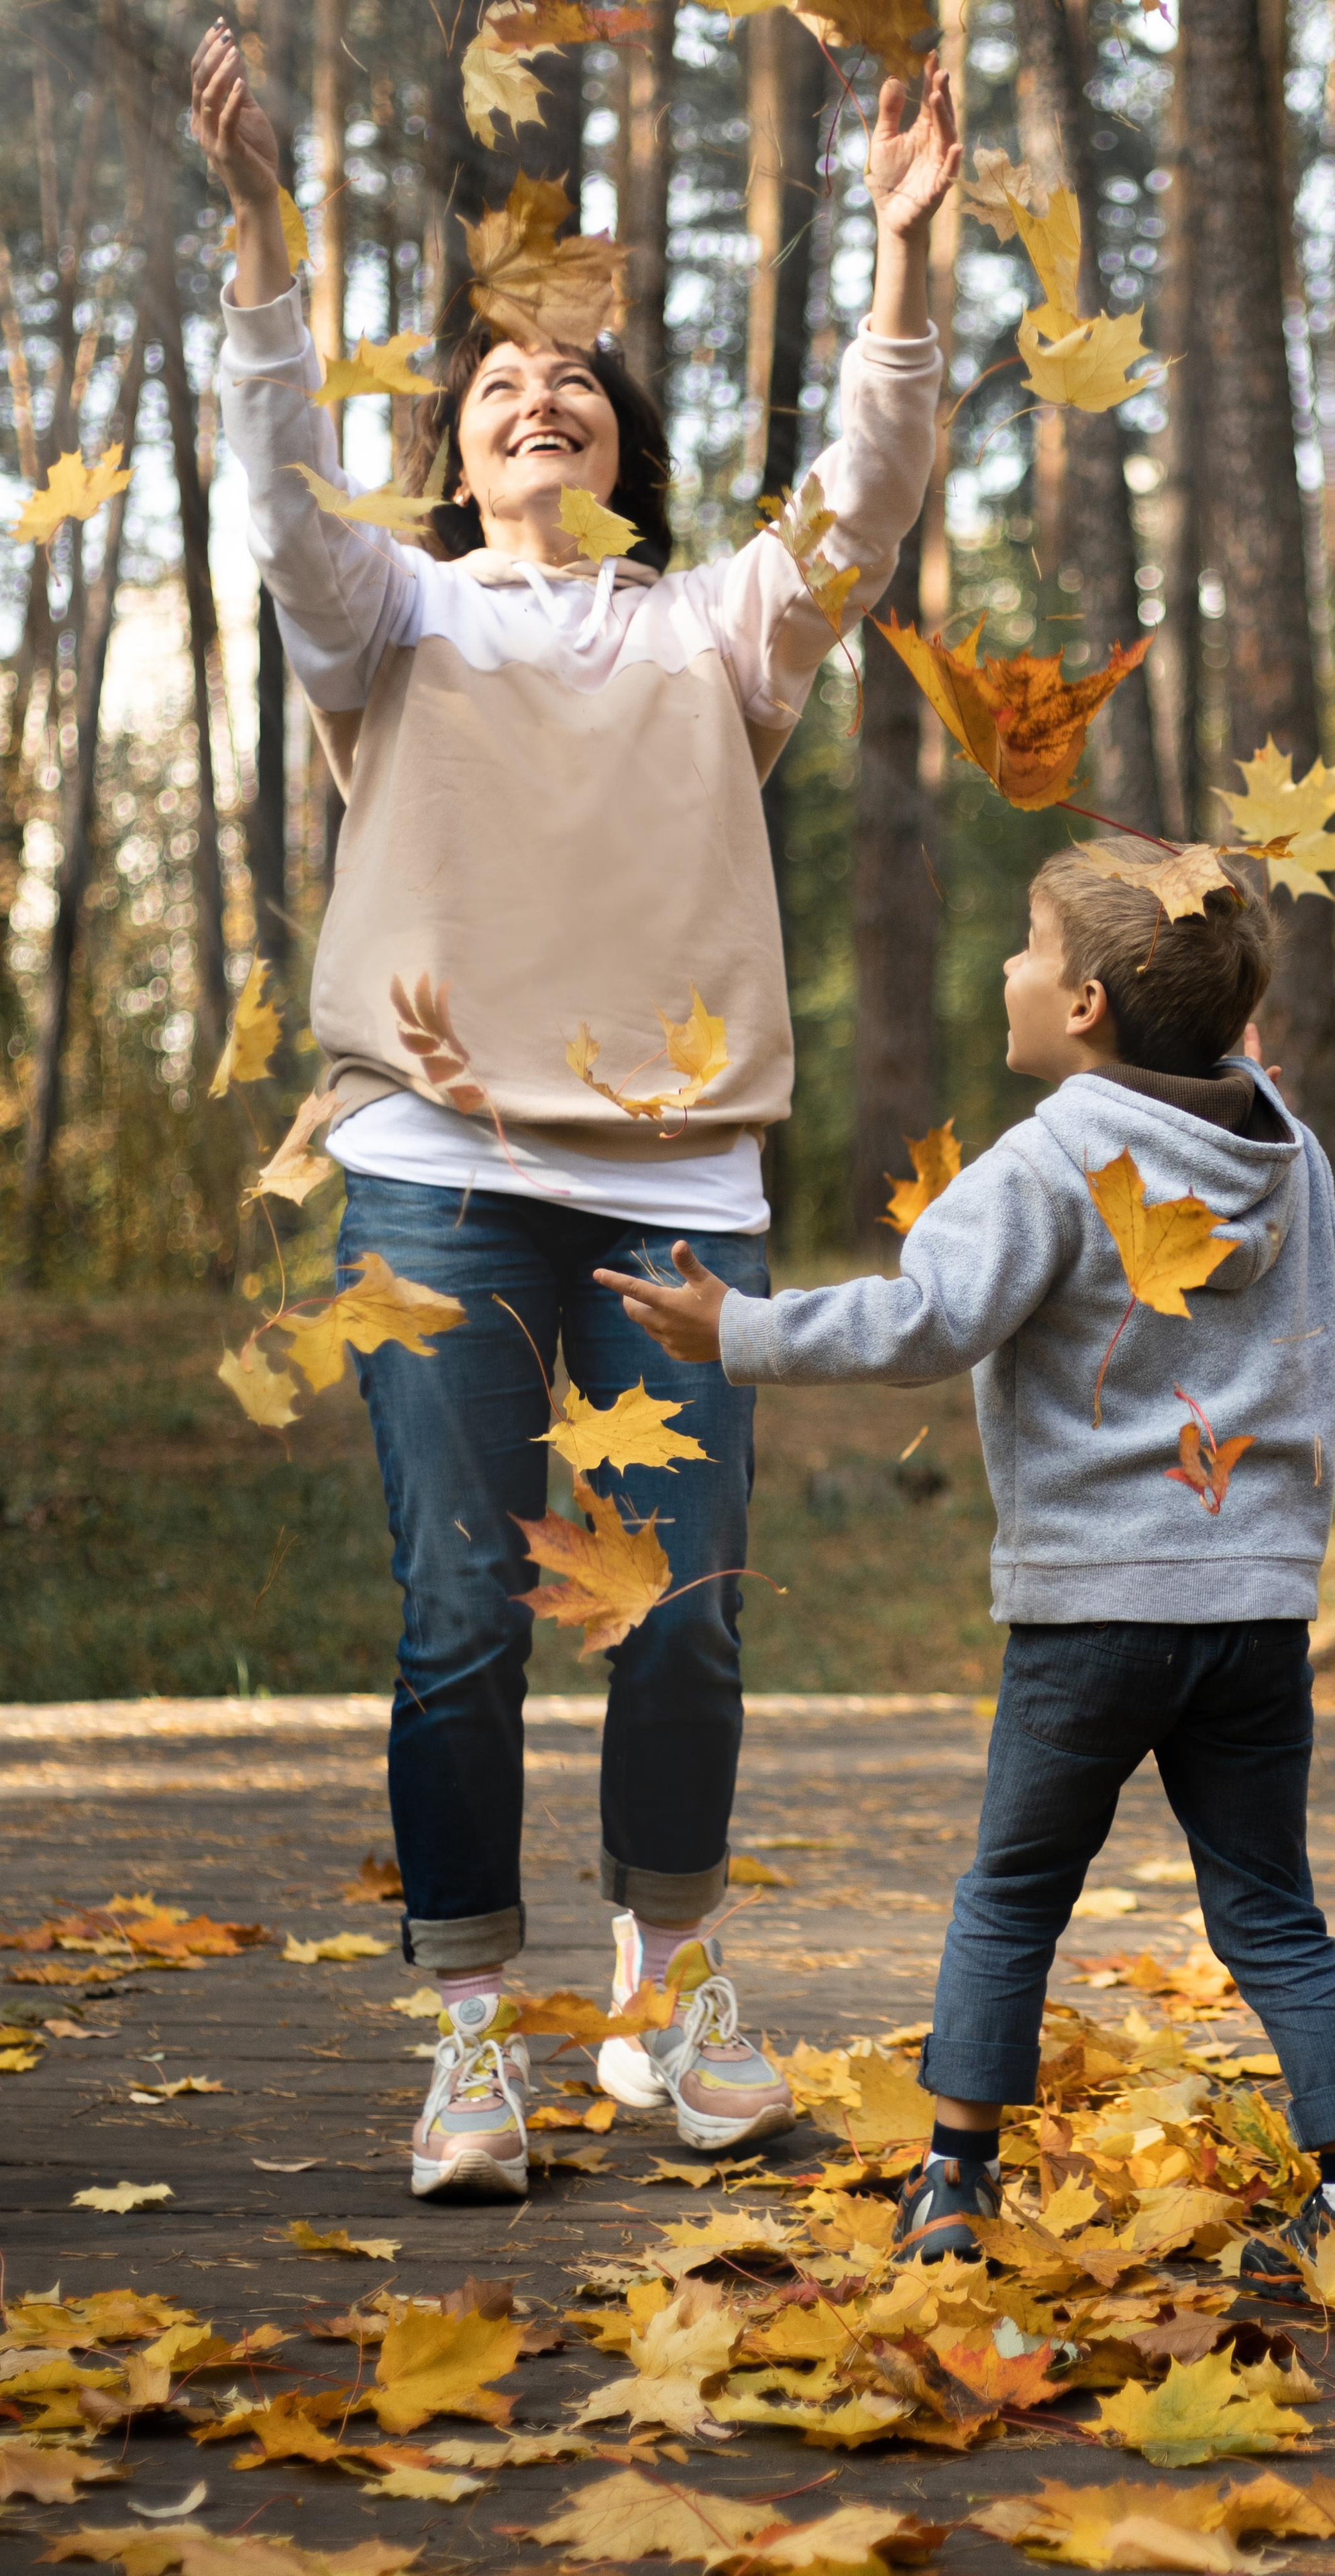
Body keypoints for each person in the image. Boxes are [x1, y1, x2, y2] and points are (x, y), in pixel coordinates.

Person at [190, 19, 961, 2199]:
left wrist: (902, 264)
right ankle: (465, 2039)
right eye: (500, 385)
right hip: (437, 1188)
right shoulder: (393, 619)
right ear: (459, 451)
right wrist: (262, 228)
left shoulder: (716, 631)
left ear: (623, 441)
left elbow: (870, 495)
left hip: (680, 1192)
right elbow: (273, 476)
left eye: (580, 383)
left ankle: (663, 1990)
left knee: (680, 1609)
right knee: (458, 1617)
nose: (543, 393)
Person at [599, 849, 1335, 2309]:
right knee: (1268, 1909)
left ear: (1081, 1004)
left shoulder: (1061, 1150)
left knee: (1009, 1896)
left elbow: (924, 1321)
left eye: (1023, 942)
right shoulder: (1289, 1153)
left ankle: (949, 2189)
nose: (1004, 967)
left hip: (1089, 1610)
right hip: (1252, 1609)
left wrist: (734, 1333)